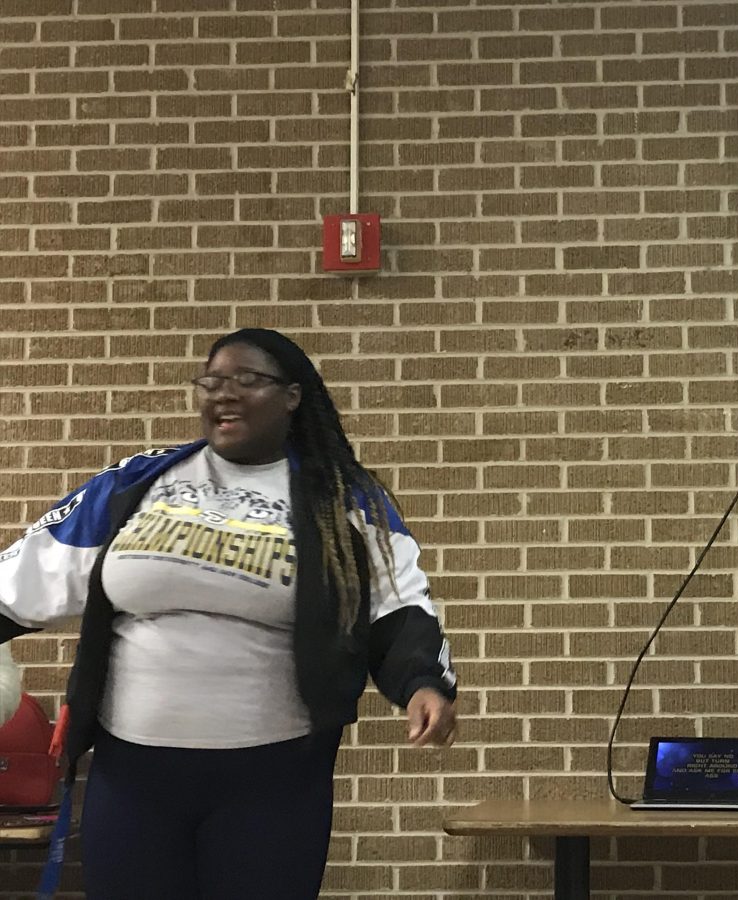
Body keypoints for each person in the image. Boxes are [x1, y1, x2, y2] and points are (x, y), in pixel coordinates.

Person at [0, 328, 457, 899]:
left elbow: (397, 603)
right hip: (132, 775)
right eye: (212, 381)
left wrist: (420, 683)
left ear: (292, 396)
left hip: (273, 781)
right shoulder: (138, 483)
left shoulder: (342, 497)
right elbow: (28, 578)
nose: (224, 394)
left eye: (247, 380)